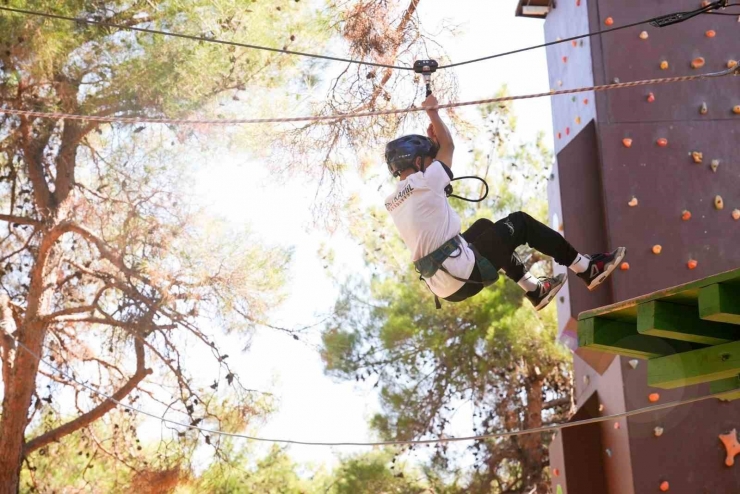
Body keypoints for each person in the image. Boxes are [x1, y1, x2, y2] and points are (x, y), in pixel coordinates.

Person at [383, 95, 626, 310]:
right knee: (520, 223)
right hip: (463, 274)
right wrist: (433, 113)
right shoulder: (424, 182)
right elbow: (449, 146)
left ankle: (535, 290)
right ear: (417, 162)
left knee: (483, 227)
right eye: (429, 158)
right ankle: (587, 268)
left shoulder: (394, 200)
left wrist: (432, 147)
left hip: (444, 284)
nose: (434, 162)